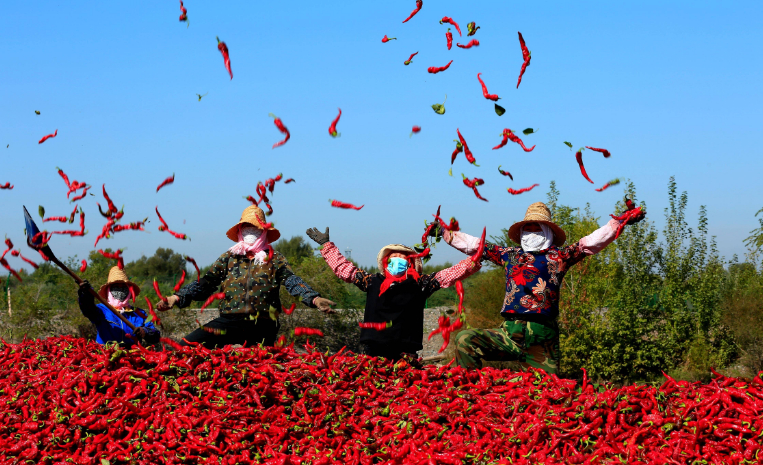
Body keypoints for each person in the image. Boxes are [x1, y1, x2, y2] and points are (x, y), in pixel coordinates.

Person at [440, 201, 645, 373]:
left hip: (542, 335)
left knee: (547, 395)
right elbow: (477, 245)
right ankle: (472, 394)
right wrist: (446, 233)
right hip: (509, 332)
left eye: (536, 228)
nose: (530, 232)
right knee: (465, 339)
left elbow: (589, 243)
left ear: (547, 231)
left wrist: (618, 223)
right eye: (527, 228)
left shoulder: (560, 256)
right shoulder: (509, 254)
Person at [157, 205, 335, 348]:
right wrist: (177, 297)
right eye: (247, 227)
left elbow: (292, 281)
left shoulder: (274, 258)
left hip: (263, 325)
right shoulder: (229, 257)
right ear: (240, 230)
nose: (251, 231)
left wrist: (314, 298)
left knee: (259, 372)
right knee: (185, 347)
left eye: (256, 228)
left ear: (264, 231)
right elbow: (206, 282)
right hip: (229, 321)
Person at [306, 226, 481, 361]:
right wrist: (327, 246)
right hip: (374, 350)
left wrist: (479, 255)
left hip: (406, 351)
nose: (397, 259)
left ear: (410, 263)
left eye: (402, 257)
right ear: (385, 262)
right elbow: (346, 270)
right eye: (392, 257)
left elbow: (451, 273)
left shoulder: (421, 284)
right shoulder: (371, 281)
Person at [78, 266, 160, 347]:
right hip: (105, 355)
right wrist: (85, 295)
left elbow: (156, 335)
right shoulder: (101, 310)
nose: (120, 291)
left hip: (132, 357)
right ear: (109, 290)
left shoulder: (138, 313)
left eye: (123, 287)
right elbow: (87, 309)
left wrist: (145, 331)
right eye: (116, 287)